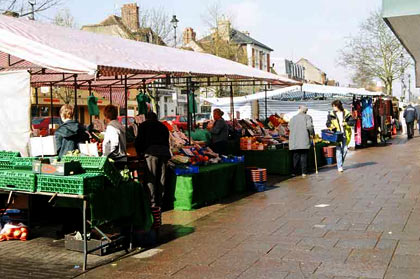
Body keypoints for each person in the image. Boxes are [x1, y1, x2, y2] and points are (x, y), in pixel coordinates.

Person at [135, 111, 171, 232]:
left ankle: (153, 204)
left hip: (151, 153)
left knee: (151, 178)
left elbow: (139, 140)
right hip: (164, 153)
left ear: (147, 118)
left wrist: (139, 153)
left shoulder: (144, 126)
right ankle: (160, 203)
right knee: (161, 179)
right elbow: (167, 140)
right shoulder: (163, 126)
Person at [326, 100, 354, 173]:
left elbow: (352, 122)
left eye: (334, 106)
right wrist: (331, 126)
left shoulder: (346, 113)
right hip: (336, 135)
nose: (333, 108)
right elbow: (327, 123)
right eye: (333, 106)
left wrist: (346, 123)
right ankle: (340, 166)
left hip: (345, 134)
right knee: (338, 150)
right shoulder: (331, 114)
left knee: (345, 150)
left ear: (338, 106)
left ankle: (340, 162)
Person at [289, 105, 314, 177]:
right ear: (306, 111)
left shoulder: (293, 118)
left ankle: (294, 172)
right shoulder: (307, 117)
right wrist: (312, 133)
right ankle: (304, 172)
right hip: (304, 139)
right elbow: (309, 126)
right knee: (304, 155)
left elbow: (289, 127)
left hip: (294, 139)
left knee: (295, 156)